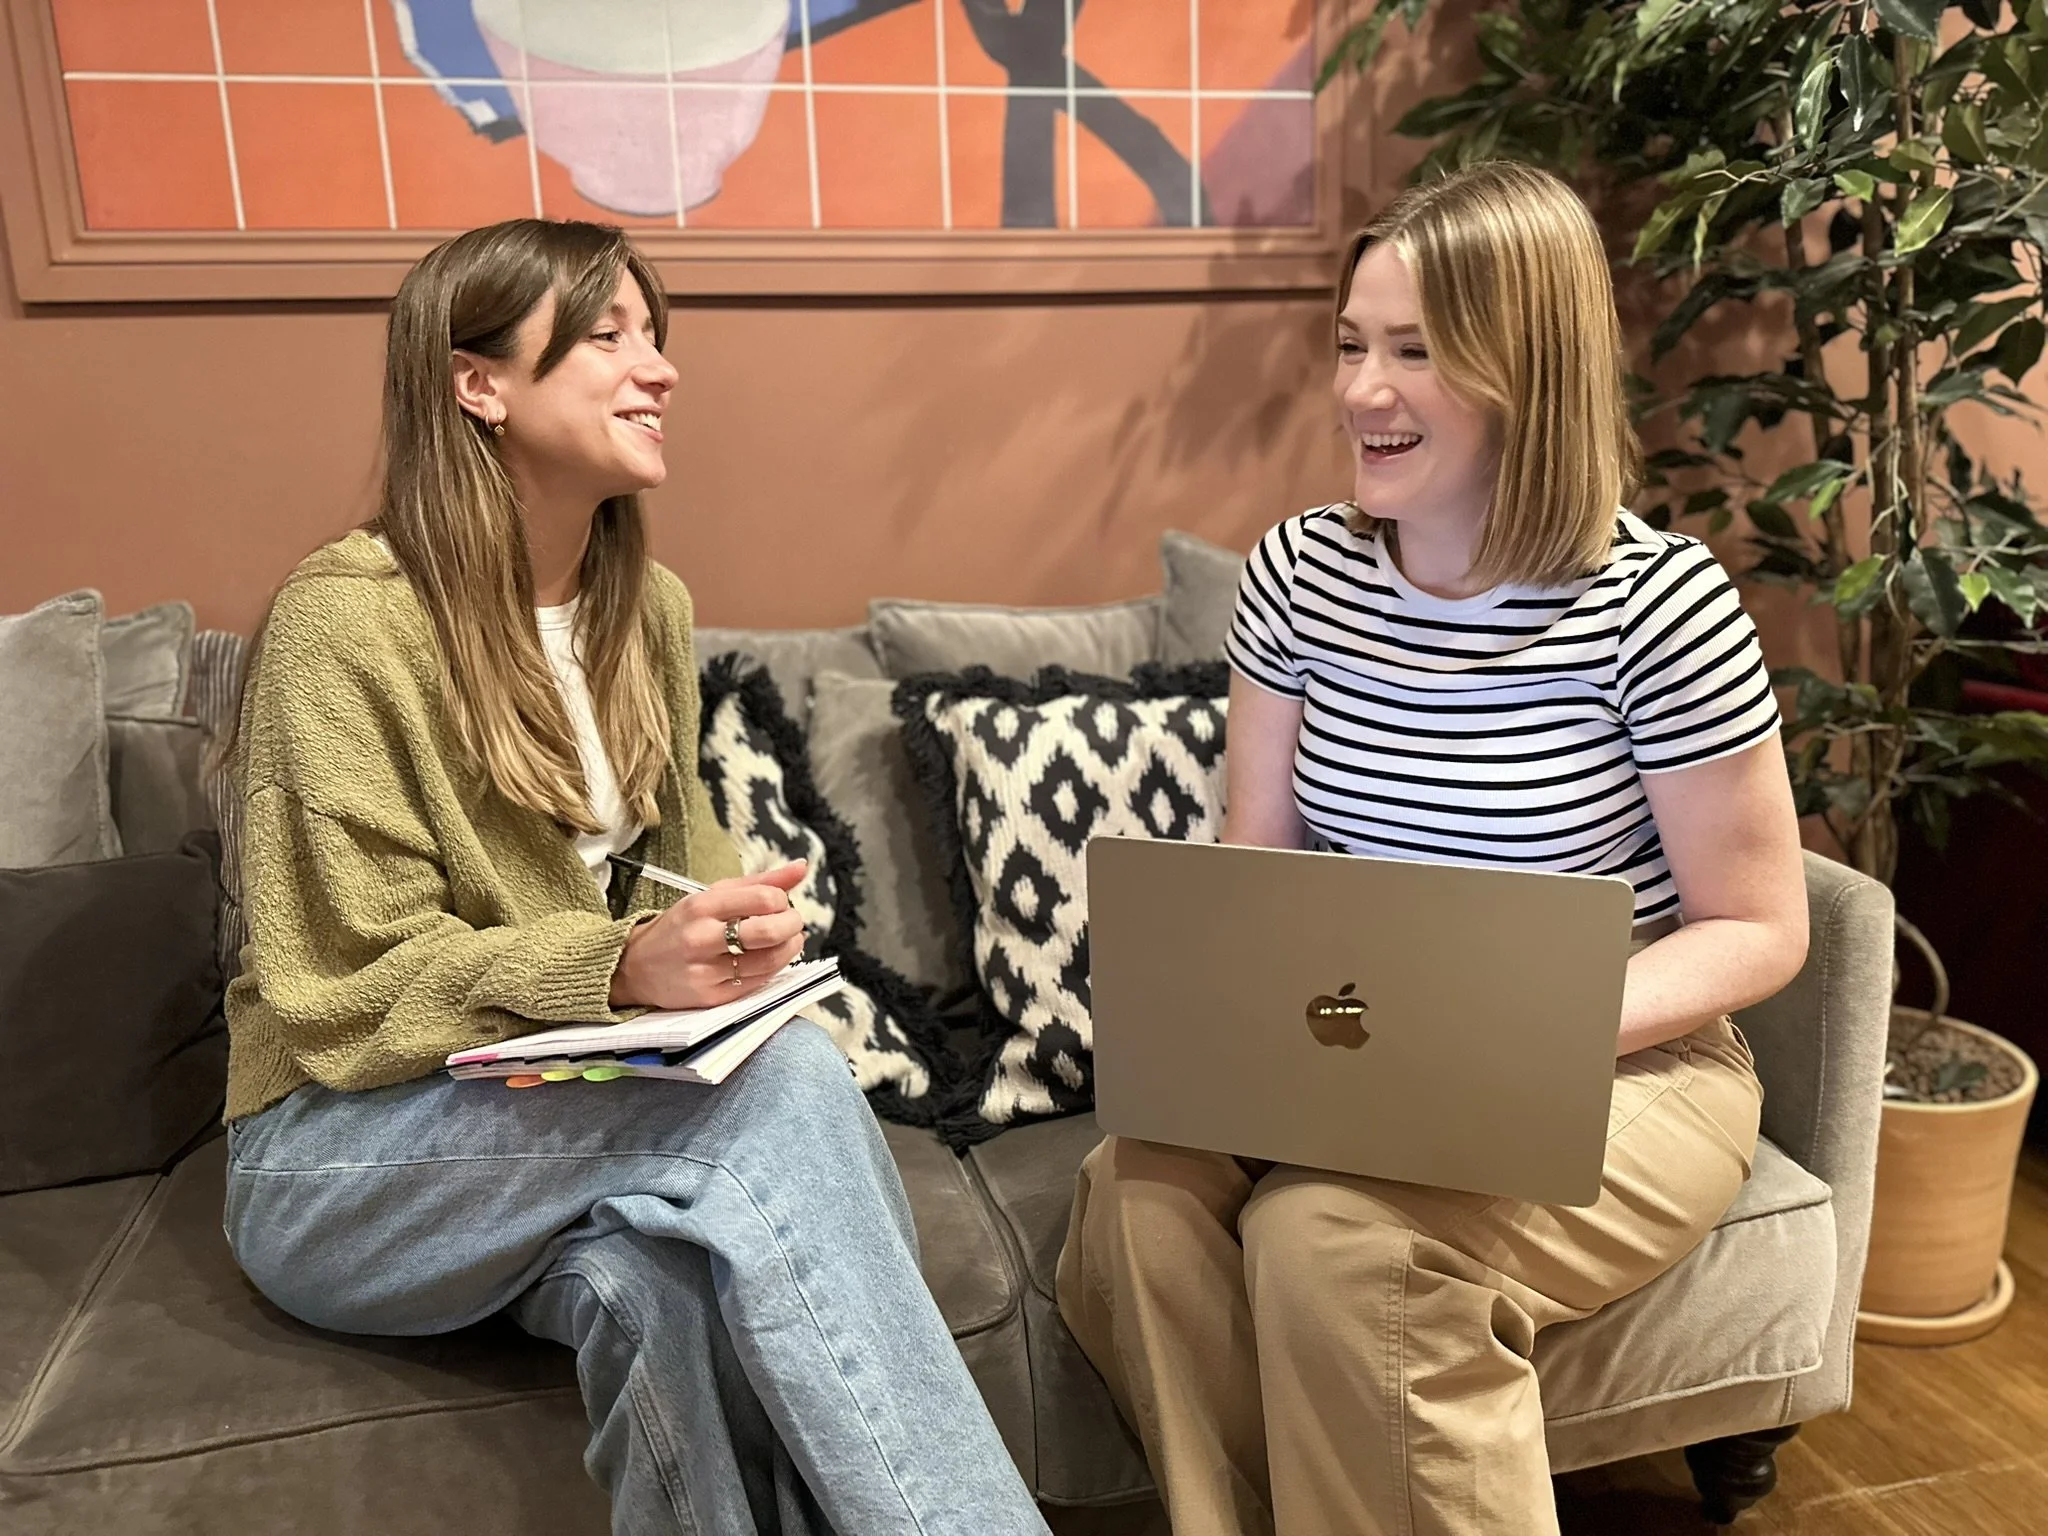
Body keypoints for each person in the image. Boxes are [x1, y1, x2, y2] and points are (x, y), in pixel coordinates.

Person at [220, 218, 1047, 1536]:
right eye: (606, 336)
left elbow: (680, 871)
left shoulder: (642, 609)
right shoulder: (348, 620)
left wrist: (724, 937)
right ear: (476, 383)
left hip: (554, 1125)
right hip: (338, 1161)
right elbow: (347, 998)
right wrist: (610, 973)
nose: (656, 367)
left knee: (650, 1287)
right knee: (784, 1092)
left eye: (655, 336)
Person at [1055, 162, 1810, 1536]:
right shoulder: (1297, 575)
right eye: (1351, 344)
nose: (1359, 390)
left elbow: (1761, 929)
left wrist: (1513, 1029)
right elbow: (1261, 864)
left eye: (1413, 350)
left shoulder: (1660, 605)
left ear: (1526, 370)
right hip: (1364, 1045)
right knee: (1136, 1194)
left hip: (1633, 1062)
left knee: (1337, 1239)